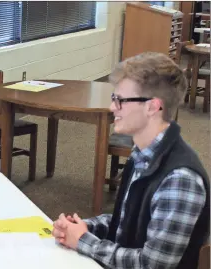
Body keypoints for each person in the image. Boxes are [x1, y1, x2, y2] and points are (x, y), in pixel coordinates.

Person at [52, 52, 209, 269]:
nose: (112, 108)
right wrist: (86, 227)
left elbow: (151, 264)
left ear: (152, 107)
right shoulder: (143, 154)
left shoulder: (180, 179)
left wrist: (83, 241)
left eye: (121, 101)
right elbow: (128, 221)